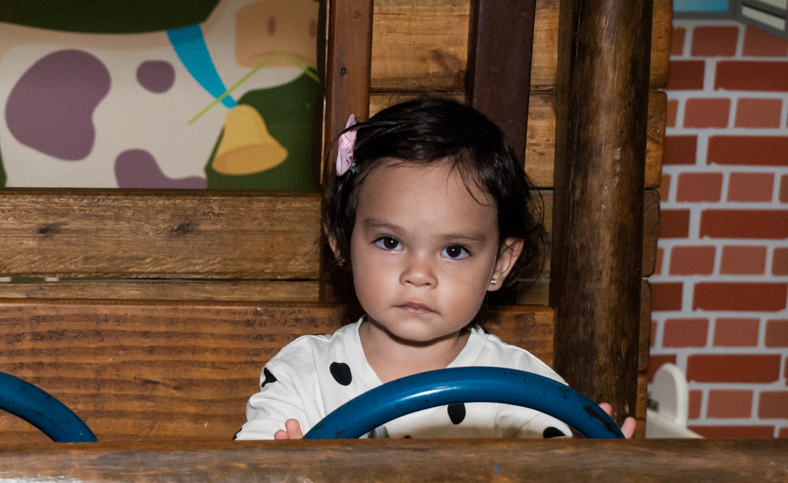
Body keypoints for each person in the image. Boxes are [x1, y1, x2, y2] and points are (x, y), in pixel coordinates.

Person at [236, 97, 636, 441]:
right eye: (390, 242)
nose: (419, 274)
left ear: (500, 263)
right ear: (342, 242)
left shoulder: (525, 387)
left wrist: (590, 473)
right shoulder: (303, 377)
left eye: (455, 250)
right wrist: (278, 469)